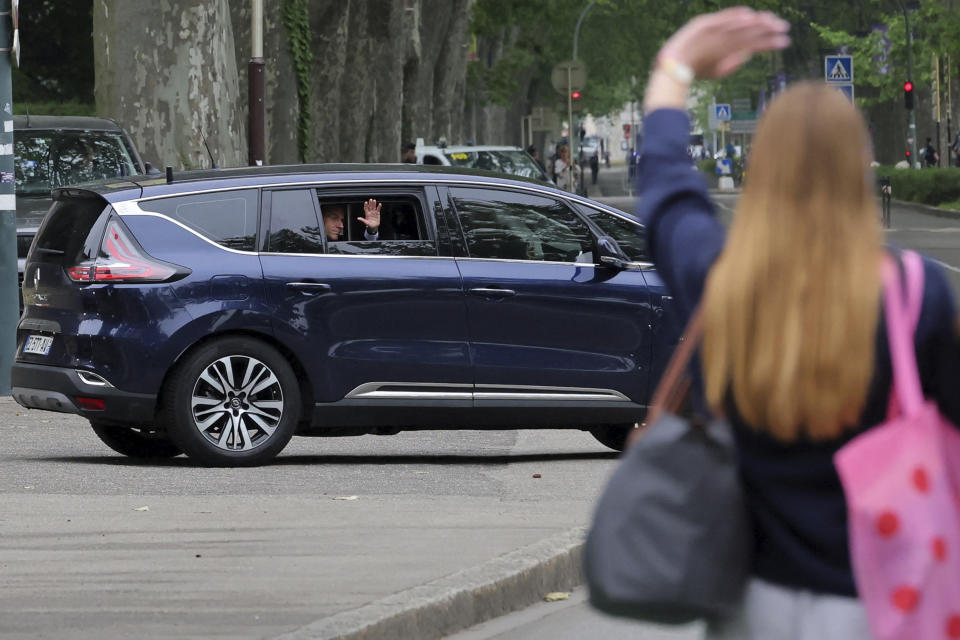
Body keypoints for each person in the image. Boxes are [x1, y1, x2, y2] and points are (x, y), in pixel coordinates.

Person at [634, 8, 960, 639]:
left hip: (750, 606)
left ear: (762, 172)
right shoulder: (915, 295)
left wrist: (674, 68)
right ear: (860, 170)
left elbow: (668, 188)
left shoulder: (719, 279)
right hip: (877, 604)